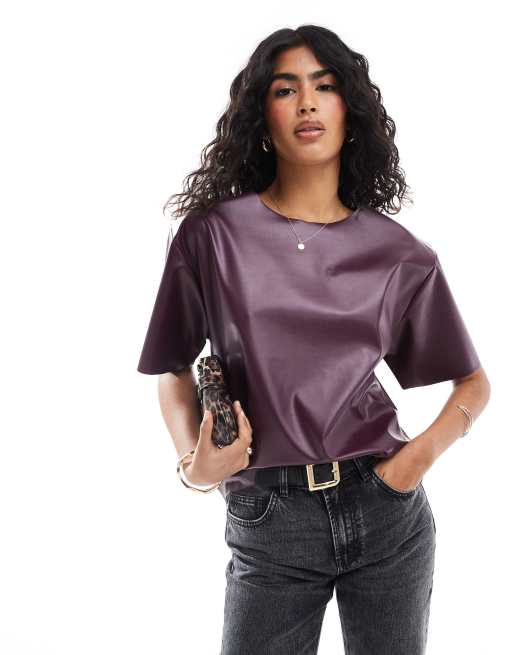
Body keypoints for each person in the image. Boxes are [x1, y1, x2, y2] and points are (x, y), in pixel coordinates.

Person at [136, 24, 490, 655]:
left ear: (350, 112)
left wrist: (413, 462)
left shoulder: (398, 253)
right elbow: (172, 365)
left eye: (324, 87)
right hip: (269, 517)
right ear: (261, 117)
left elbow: (474, 384)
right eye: (285, 89)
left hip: (386, 510)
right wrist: (194, 464)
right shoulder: (213, 236)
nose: (306, 103)